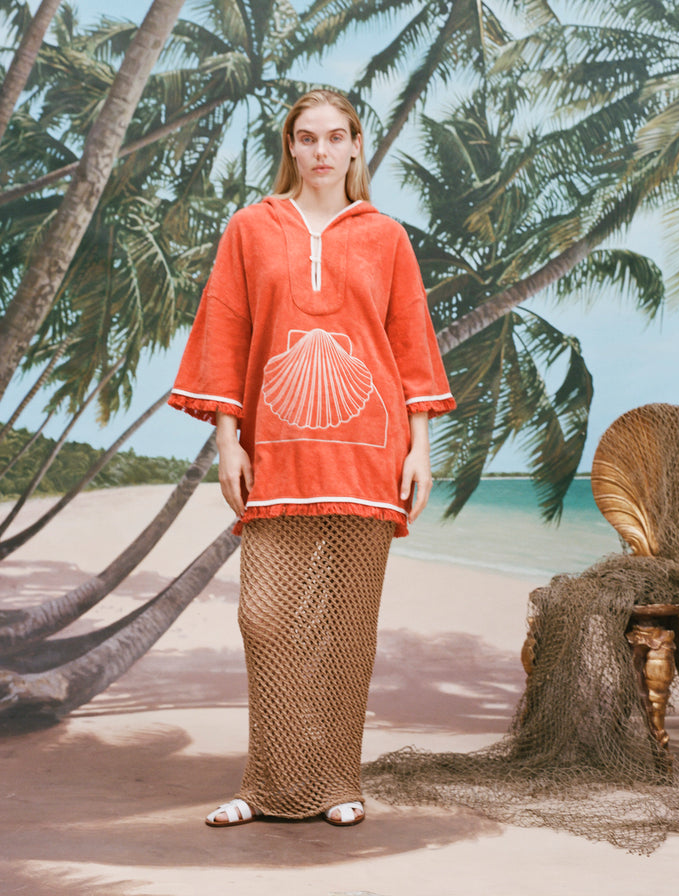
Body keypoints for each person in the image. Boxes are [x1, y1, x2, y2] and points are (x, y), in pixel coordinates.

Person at [168, 88, 455, 827]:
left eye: (336, 137)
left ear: (356, 146)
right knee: (264, 620)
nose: (322, 151)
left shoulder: (385, 236)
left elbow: (411, 345)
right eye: (307, 138)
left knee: (345, 626)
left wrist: (419, 450)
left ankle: (336, 785)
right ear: (289, 147)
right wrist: (227, 443)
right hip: (276, 456)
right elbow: (225, 333)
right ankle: (267, 787)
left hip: (368, 453)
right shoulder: (251, 228)